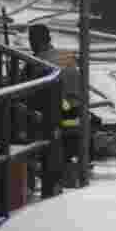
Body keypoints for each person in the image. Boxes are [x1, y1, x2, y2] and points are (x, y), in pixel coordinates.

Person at [27, 23, 90, 190]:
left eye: (31, 40)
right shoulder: (67, 56)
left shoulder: (35, 63)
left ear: (34, 41)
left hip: (55, 123)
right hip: (78, 121)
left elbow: (26, 94)